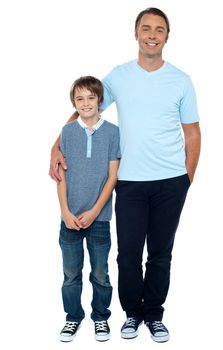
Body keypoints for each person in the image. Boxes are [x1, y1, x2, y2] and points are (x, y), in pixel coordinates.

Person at [50, 8, 201, 343]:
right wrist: (55, 145)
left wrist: (186, 178)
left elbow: (192, 133)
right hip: (129, 181)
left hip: (170, 182)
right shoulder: (119, 76)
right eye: (146, 28)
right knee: (129, 254)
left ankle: (154, 315)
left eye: (159, 30)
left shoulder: (181, 80)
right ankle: (132, 314)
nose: (152, 34)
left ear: (166, 36)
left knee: (161, 253)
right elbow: (87, 106)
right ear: (136, 34)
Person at [57, 76, 120, 343]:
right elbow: (60, 176)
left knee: (100, 273)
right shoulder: (67, 132)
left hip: (100, 218)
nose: (85, 103)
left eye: (90, 98)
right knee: (71, 274)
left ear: (100, 100)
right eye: (79, 99)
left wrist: (95, 211)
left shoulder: (113, 132)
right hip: (69, 219)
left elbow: (113, 177)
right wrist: (65, 212)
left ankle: (101, 317)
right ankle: (73, 317)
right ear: (74, 103)